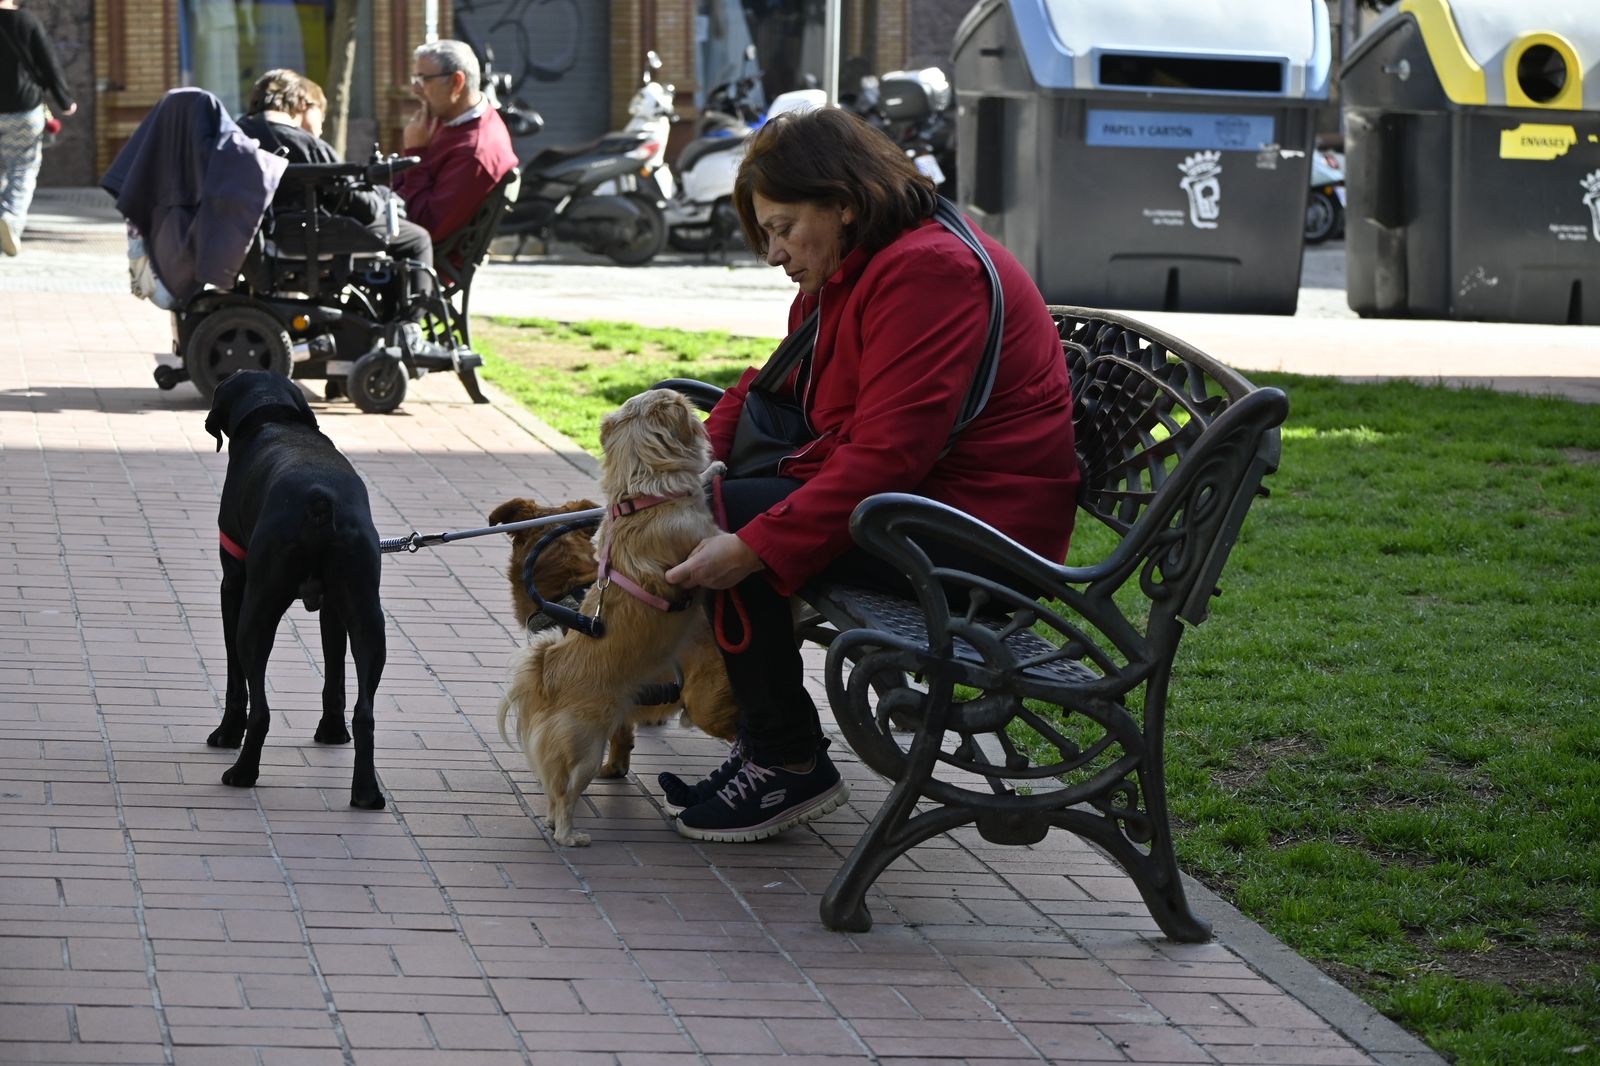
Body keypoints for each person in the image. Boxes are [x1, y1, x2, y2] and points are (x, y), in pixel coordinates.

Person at [661, 106, 1082, 843]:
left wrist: (755, 544)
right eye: (766, 233)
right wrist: (692, 460)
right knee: (717, 501)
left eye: (783, 228)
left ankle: (785, 761)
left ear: (845, 204)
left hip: (982, 538)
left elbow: (890, 457)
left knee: (741, 527)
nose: (773, 253)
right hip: (931, 506)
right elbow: (774, 385)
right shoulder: (865, 264)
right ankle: (768, 745)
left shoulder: (928, 272)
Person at [235, 69, 434, 289]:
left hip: (252, 239)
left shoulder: (235, 136)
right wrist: (385, 201)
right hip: (309, 236)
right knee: (417, 238)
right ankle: (412, 319)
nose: (320, 128)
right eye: (321, 114)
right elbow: (362, 208)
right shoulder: (307, 144)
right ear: (303, 104)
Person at [393, 39, 517, 245]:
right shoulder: (449, 118)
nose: (415, 90)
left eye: (423, 79)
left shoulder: (475, 150)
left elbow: (423, 228)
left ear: (456, 82)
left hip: (415, 260)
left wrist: (416, 152)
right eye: (415, 78)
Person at [0, 0, 76, 257]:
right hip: (23, 110)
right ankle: (10, 218)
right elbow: (49, 63)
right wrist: (65, 101)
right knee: (22, 168)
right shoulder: (27, 21)